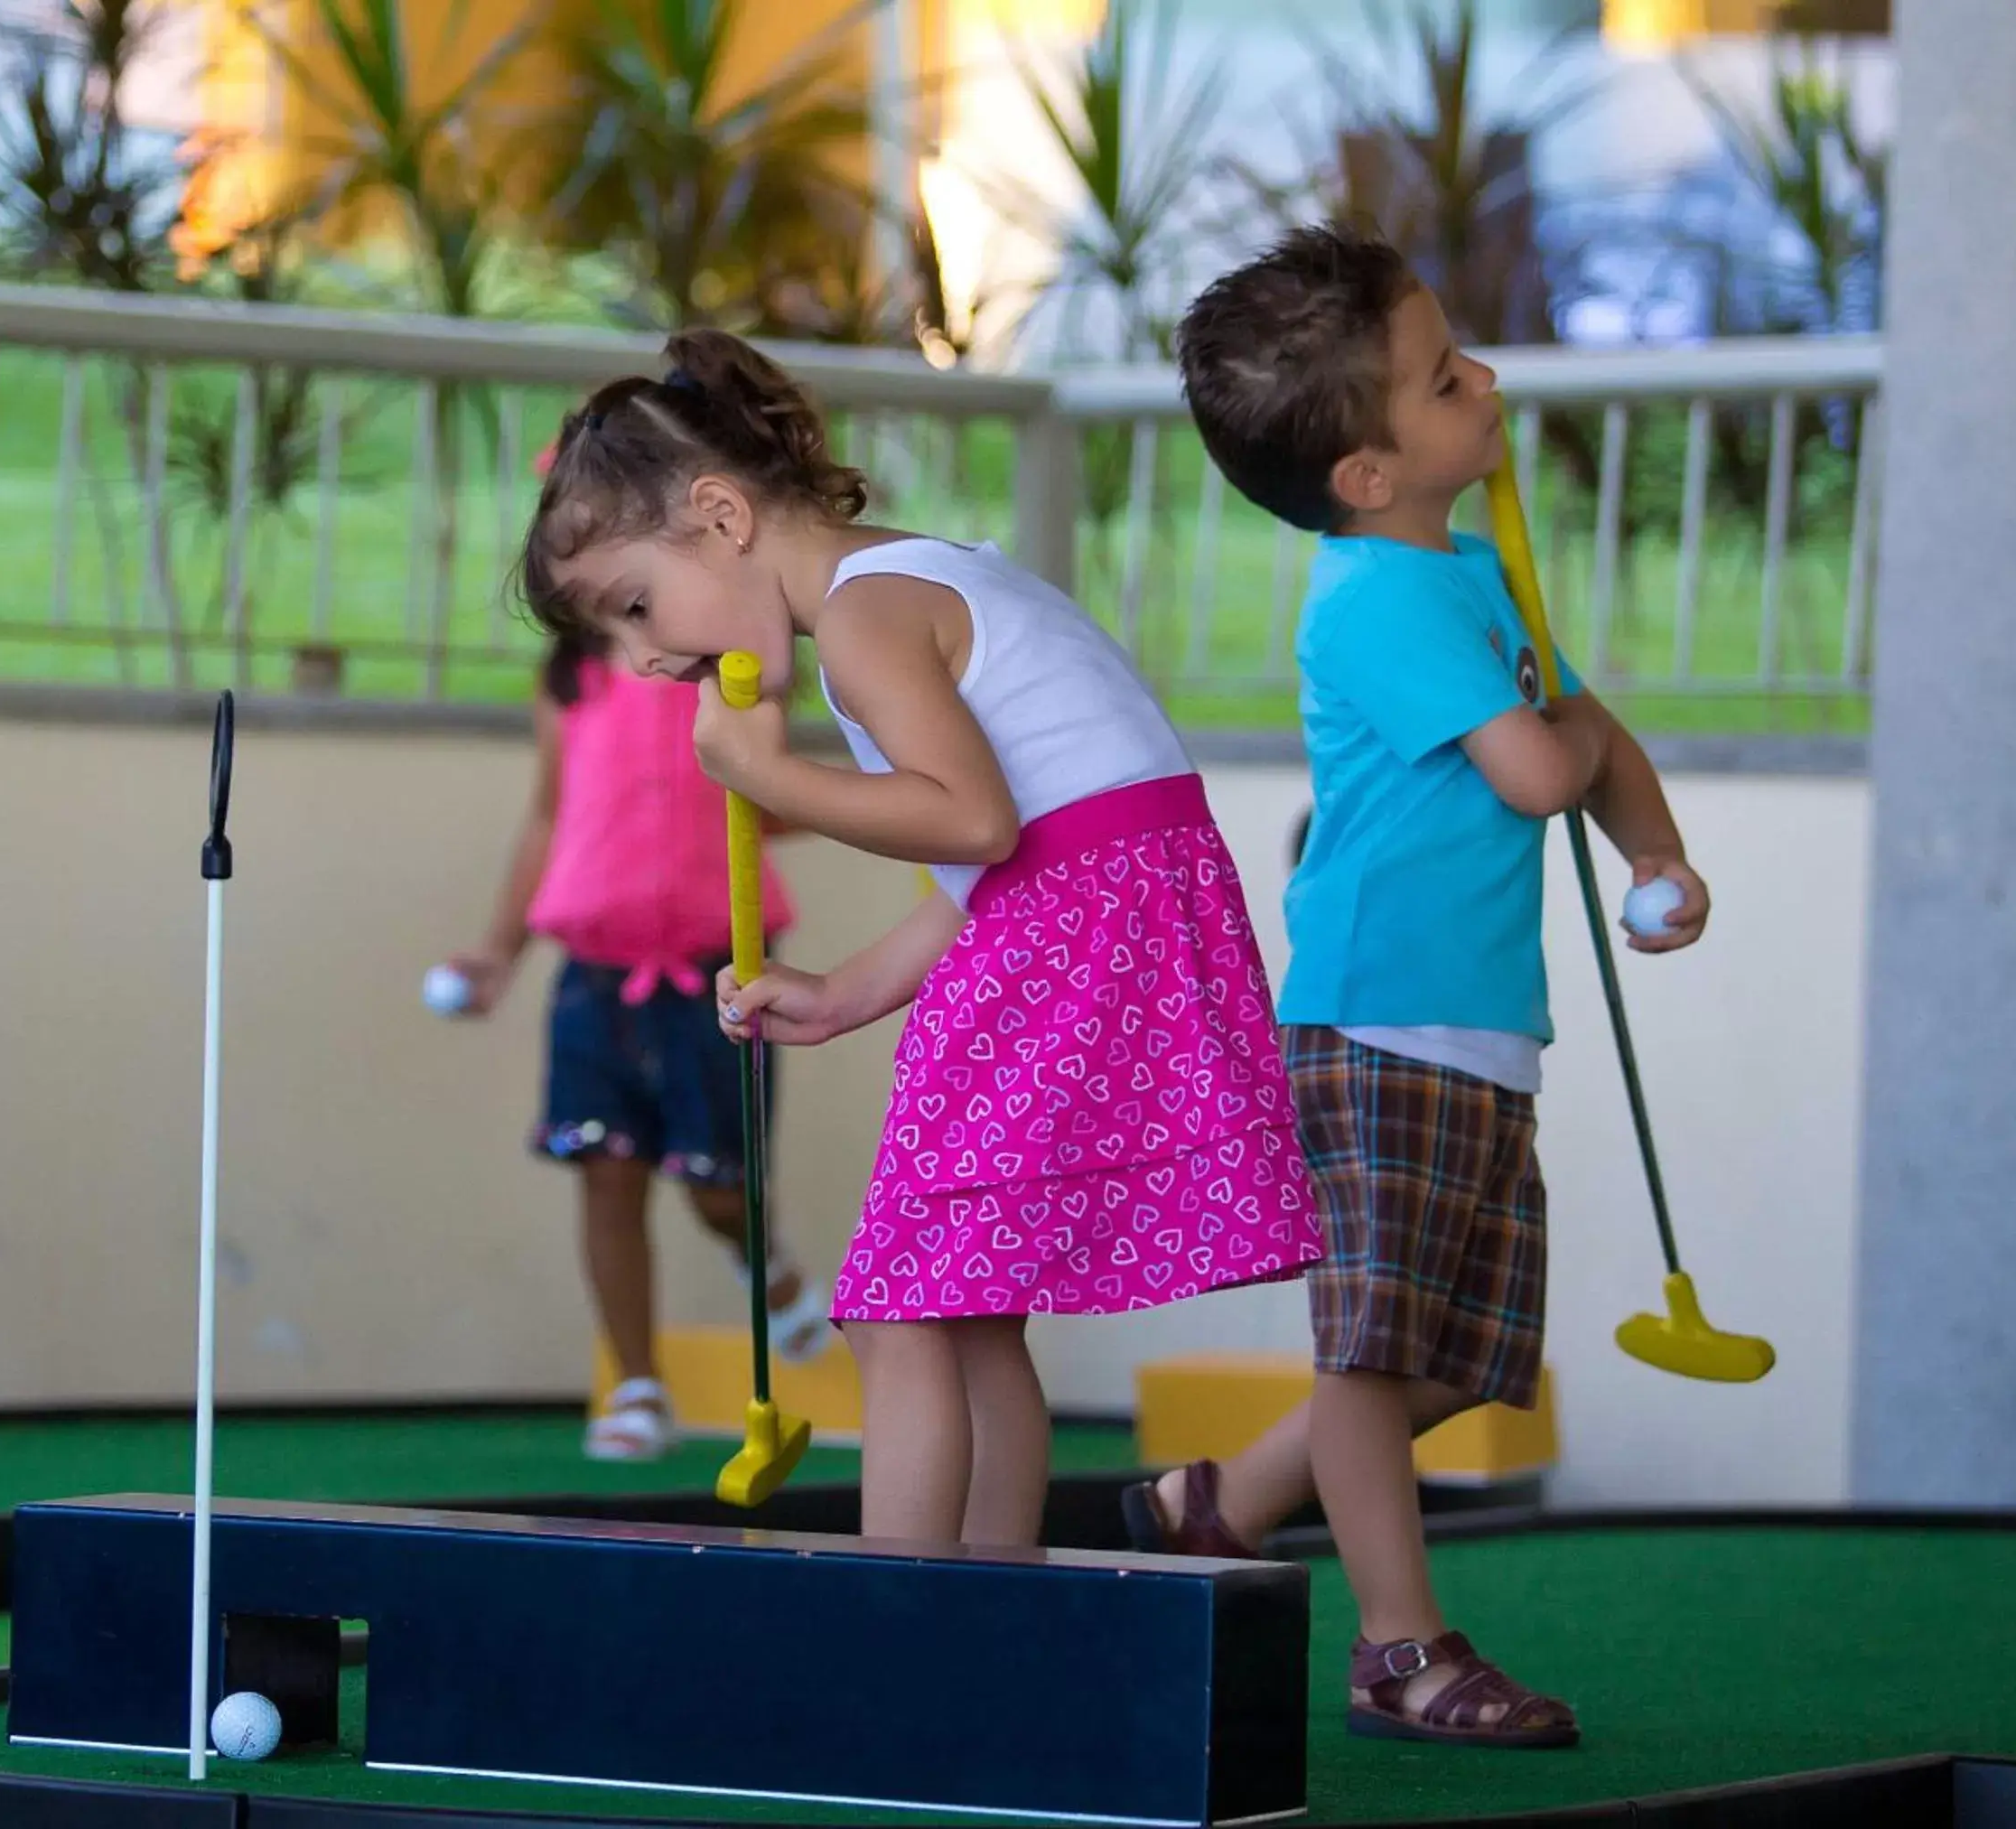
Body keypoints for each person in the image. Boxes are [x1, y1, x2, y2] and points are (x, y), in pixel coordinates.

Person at [515, 328, 1323, 1547]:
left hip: (1075, 939)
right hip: (1091, 923)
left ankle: (903, 1624)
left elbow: (973, 822)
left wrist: (775, 781)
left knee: (899, 1311)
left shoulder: (862, 617)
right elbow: (991, 863)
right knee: (965, 1309)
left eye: (635, 604)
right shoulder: (910, 579)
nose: (645, 656)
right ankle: (994, 1604)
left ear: (721, 515)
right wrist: (842, 992)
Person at [1137, 223, 1714, 1749]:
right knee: (1373, 1350)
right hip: (1373, 1018)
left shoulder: (1460, 570)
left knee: (1462, 1359)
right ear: (1365, 475)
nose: (1485, 379)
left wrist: (1656, 855)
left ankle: (1222, 1500)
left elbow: (1589, 739)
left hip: (1468, 1029)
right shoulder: (1377, 602)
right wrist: (1578, 745)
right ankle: (1400, 1649)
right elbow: (1540, 763)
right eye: (1442, 375)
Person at [440, 627, 832, 1462]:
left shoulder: (733, 673)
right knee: (606, 1174)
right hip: (596, 974)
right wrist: (499, 952)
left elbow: (775, 802)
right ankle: (637, 1385)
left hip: (715, 973)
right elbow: (550, 814)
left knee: (719, 1190)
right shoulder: (570, 679)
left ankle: (766, 1262)